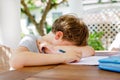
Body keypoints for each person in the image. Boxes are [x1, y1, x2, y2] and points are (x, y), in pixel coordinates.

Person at [9, 14, 95, 69]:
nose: (66, 49)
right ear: (58, 35)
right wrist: (63, 57)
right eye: (67, 46)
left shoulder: (53, 46)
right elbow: (15, 60)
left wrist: (55, 48)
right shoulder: (31, 40)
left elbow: (90, 50)